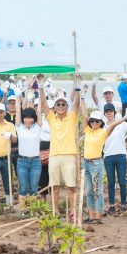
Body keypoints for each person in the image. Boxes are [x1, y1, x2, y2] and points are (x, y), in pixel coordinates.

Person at [40, 74, 82, 222]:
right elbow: (44, 104)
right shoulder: (51, 118)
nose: (61, 107)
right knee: (55, 186)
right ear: (55, 107)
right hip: (54, 156)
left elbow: (76, 104)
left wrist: (77, 86)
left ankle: (72, 211)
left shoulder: (71, 118)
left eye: (63, 104)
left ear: (66, 107)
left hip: (69, 156)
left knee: (71, 187)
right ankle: (55, 211)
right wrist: (40, 87)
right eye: (58, 105)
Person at [80, 100, 127, 224]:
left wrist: (124, 118)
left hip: (96, 164)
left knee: (98, 191)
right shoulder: (87, 130)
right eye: (92, 121)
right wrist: (82, 97)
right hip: (86, 163)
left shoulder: (103, 132)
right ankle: (91, 216)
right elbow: (84, 115)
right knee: (89, 192)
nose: (94, 123)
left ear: (101, 122)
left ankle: (98, 217)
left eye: (97, 121)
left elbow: (113, 125)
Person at [14, 96, 46, 207]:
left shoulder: (38, 127)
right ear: (23, 119)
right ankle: (23, 210)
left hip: (35, 162)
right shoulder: (19, 127)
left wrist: (39, 94)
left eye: (30, 118)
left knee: (33, 188)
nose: (28, 120)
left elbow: (39, 111)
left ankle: (32, 209)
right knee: (22, 188)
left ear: (34, 118)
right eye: (26, 118)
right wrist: (18, 98)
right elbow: (18, 111)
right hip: (22, 161)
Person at [103, 103, 127, 213]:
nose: (109, 113)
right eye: (107, 111)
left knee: (122, 181)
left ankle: (124, 204)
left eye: (111, 111)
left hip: (121, 156)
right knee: (111, 182)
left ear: (114, 112)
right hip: (108, 157)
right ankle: (111, 205)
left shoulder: (123, 124)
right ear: (104, 113)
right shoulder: (102, 126)